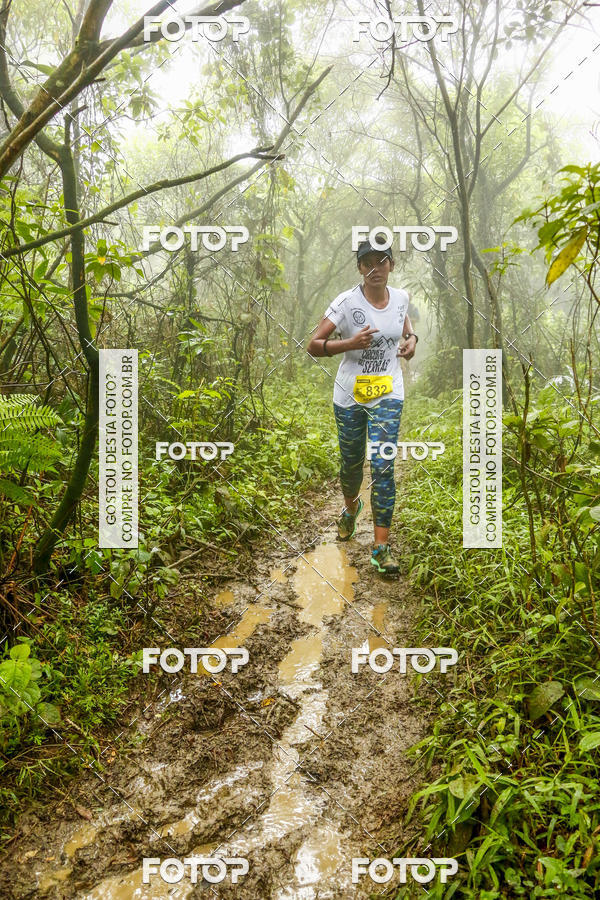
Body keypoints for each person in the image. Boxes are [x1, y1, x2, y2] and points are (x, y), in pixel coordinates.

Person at [307, 236, 418, 575]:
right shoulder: (345, 302)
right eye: (368, 263)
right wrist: (349, 343)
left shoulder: (401, 298)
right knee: (352, 462)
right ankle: (350, 507)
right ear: (359, 268)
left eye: (381, 261)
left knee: (383, 465)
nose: (375, 269)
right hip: (350, 396)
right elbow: (313, 345)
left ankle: (381, 548)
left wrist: (411, 341)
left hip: (388, 392)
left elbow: (405, 328)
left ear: (391, 265)